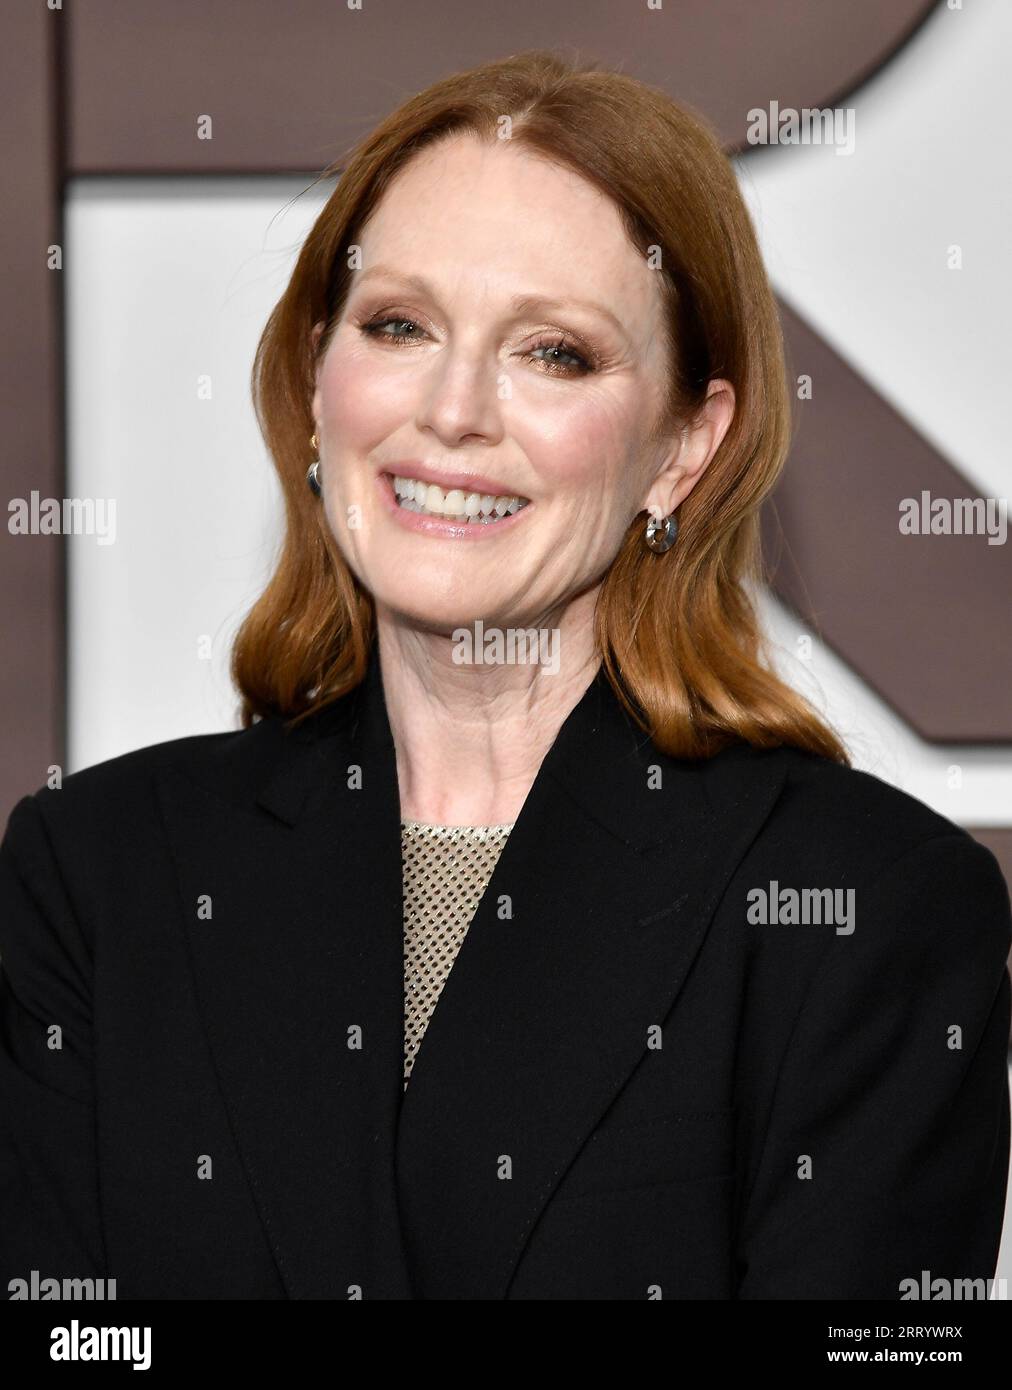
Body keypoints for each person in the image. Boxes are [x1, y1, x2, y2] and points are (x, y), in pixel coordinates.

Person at [2, 50, 1009, 1301]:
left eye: (555, 353)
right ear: (320, 378)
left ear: (684, 449)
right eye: (399, 326)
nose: (455, 409)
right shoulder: (96, 877)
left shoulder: (863, 908)